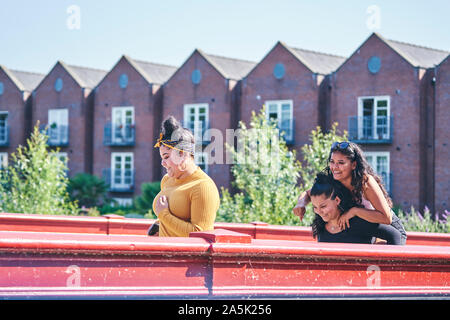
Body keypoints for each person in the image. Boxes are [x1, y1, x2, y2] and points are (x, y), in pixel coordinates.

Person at [293, 141, 407, 244]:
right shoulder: (335, 179)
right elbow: (309, 193)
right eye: (332, 162)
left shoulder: (365, 182)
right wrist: (300, 204)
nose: (335, 167)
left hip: (391, 233)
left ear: (354, 165)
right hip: (368, 230)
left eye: (341, 163)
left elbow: (386, 218)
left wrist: (354, 211)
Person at [149, 116, 220, 237]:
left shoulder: (203, 187)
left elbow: (200, 234)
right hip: (162, 252)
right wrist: (158, 226)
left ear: (182, 154)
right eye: (162, 158)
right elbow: (175, 215)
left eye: (166, 157)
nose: (162, 163)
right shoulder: (167, 180)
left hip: (183, 255)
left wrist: (164, 215)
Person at [310, 172, 402, 244]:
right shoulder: (320, 227)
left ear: (337, 200)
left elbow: (395, 235)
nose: (319, 212)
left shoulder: (358, 222)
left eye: (323, 206)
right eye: (315, 207)